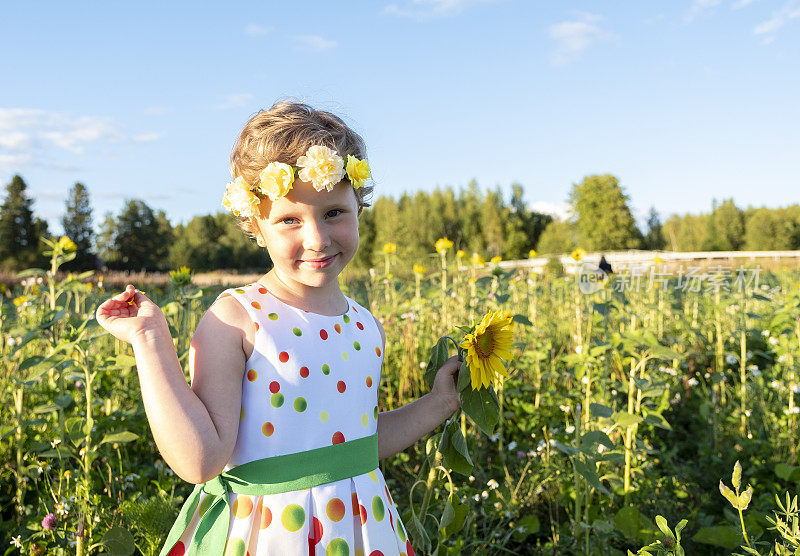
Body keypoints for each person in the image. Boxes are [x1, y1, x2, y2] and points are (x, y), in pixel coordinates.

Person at [95, 101, 462, 556]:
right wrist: (150, 342)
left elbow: (356, 447)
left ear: (359, 206)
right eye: (289, 219)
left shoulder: (366, 325)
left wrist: (440, 402)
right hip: (268, 535)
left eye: (334, 213)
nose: (317, 238)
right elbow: (200, 459)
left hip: (359, 532)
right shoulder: (238, 319)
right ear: (255, 225)